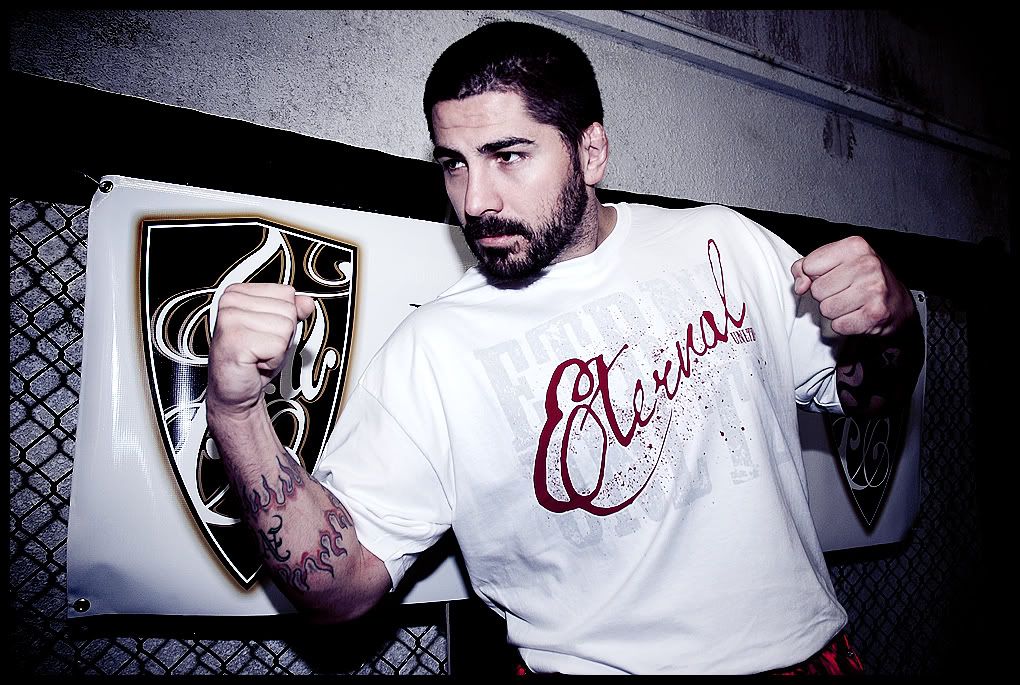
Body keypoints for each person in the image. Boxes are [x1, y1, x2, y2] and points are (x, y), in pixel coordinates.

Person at [206, 21, 923, 675]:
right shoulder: (437, 347)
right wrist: (236, 414)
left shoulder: (724, 242)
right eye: (453, 163)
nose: (475, 200)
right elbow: (340, 589)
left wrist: (892, 325)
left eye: (507, 156)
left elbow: (872, 397)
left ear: (591, 150)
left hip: (807, 659)